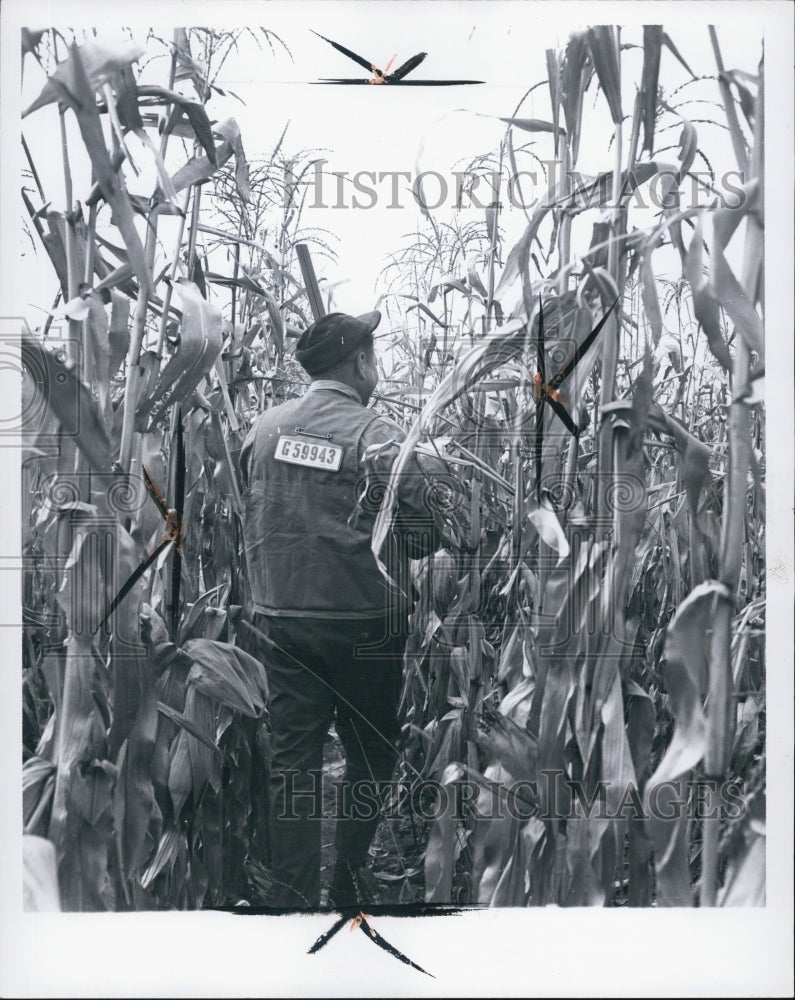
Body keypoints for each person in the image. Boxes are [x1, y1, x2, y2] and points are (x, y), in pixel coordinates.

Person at [239, 310, 443, 908]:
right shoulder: (377, 436)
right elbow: (425, 534)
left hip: (282, 623)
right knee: (371, 753)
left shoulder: (263, 429)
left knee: (294, 762)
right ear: (359, 363)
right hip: (364, 627)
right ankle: (349, 878)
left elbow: (246, 511)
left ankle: (295, 898)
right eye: (373, 354)